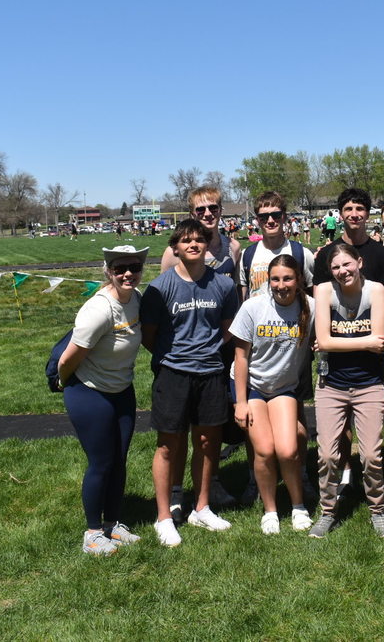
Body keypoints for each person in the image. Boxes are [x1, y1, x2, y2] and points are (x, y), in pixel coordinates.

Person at [141, 219, 239, 547]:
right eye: (186, 241)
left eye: (199, 239)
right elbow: (149, 336)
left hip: (210, 373)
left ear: (206, 244)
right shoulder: (160, 288)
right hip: (173, 373)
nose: (193, 245)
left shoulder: (223, 286)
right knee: (169, 444)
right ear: (176, 247)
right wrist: (176, 356)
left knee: (208, 443)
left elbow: (228, 330)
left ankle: (201, 507)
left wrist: (205, 352)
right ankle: (164, 516)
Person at [58, 245, 149, 555]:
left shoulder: (136, 300)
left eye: (134, 267)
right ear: (109, 271)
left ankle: (113, 524)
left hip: (122, 390)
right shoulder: (98, 310)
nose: (128, 274)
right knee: (101, 462)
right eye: (120, 268)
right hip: (89, 392)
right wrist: (65, 382)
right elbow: (68, 359)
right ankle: (93, 533)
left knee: (119, 459)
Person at [160, 187, 243, 514]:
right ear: (191, 213)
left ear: (221, 210)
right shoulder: (174, 251)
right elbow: (162, 303)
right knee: (179, 427)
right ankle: (178, 491)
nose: (207, 214)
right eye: (200, 210)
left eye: (213, 208)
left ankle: (213, 485)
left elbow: (235, 297)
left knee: (211, 424)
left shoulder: (232, 247)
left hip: (220, 348)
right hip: (182, 352)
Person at [238, 191, 316, 505]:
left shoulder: (301, 252)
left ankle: (303, 474)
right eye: (264, 216)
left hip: (292, 348)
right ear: (256, 219)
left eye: (276, 215)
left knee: (297, 417)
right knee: (254, 426)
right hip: (258, 344)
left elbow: (312, 298)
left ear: (285, 217)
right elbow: (242, 295)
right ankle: (255, 479)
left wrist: (309, 340)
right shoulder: (247, 255)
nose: (270, 220)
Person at [230, 254, 315, 534]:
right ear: (268, 281)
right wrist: (240, 403)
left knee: (289, 450)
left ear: (299, 279)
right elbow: (241, 357)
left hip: (284, 388)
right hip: (252, 386)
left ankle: (298, 506)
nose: (281, 285)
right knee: (265, 450)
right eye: (275, 279)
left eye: (287, 278)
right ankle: (270, 510)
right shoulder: (253, 308)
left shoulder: (311, 308)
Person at [310, 243, 384, 538]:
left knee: (370, 455)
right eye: (335, 267)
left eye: (347, 264)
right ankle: (328, 512)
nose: (343, 271)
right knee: (328, 456)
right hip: (331, 385)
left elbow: (379, 340)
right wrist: (363, 341)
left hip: (369, 384)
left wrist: (333, 340)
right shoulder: (324, 291)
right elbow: (324, 342)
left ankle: (377, 510)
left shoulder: (376, 290)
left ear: (359, 262)